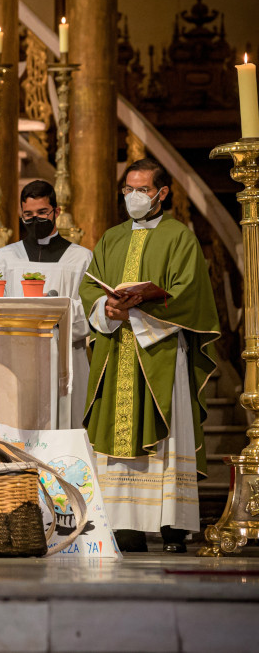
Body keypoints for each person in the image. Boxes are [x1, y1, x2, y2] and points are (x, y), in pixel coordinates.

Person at [79, 158, 220, 553]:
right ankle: (125, 526)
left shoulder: (180, 237)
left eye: (141, 190)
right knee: (115, 439)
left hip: (158, 350)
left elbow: (188, 293)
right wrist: (106, 309)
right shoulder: (111, 238)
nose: (133, 197)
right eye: (128, 190)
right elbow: (90, 287)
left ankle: (172, 525)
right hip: (116, 349)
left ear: (162, 193)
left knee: (168, 436)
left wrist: (141, 305)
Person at [0, 180, 93, 428]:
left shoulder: (81, 257)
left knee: (67, 424)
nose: (36, 220)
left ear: (57, 211)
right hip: (17, 353)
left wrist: (53, 312)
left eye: (43, 213)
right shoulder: (5, 257)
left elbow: (90, 310)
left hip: (66, 355)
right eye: (28, 215)